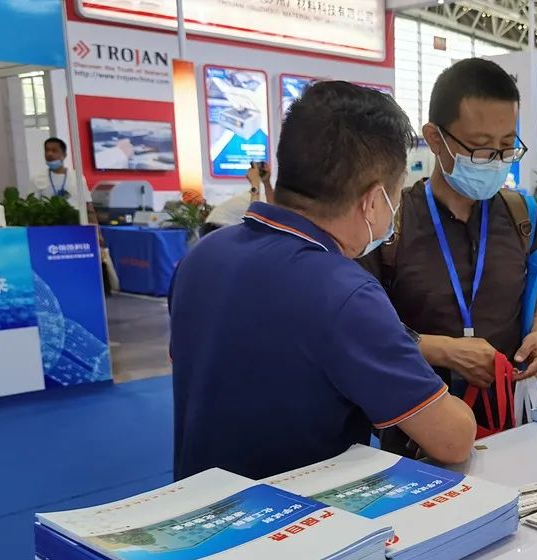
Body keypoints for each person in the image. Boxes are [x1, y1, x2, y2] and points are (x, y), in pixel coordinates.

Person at [168, 82, 476, 480]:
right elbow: (452, 439)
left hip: (199, 503)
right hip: (298, 510)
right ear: (373, 201)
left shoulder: (202, 256)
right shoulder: (344, 293)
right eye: (396, 197)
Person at [361, 58, 537, 433]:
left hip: (512, 416)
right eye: (480, 148)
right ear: (435, 139)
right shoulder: (391, 222)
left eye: (506, 147)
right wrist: (444, 351)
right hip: (418, 422)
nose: (495, 161)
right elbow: (362, 329)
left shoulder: (522, 216)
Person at [33, 137, 96, 220]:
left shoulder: (77, 177)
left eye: (54, 151)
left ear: (64, 155)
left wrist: (95, 226)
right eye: (47, 150)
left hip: (75, 223)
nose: (49, 154)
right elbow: (32, 206)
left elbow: (88, 205)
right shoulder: (37, 178)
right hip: (49, 224)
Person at [203, 163, 275, 233]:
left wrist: (263, 182)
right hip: (217, 227)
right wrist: (257, 182)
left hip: (223, 226)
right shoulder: (260, 200)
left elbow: (273, 211)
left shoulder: (264, 199)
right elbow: (255, 216)